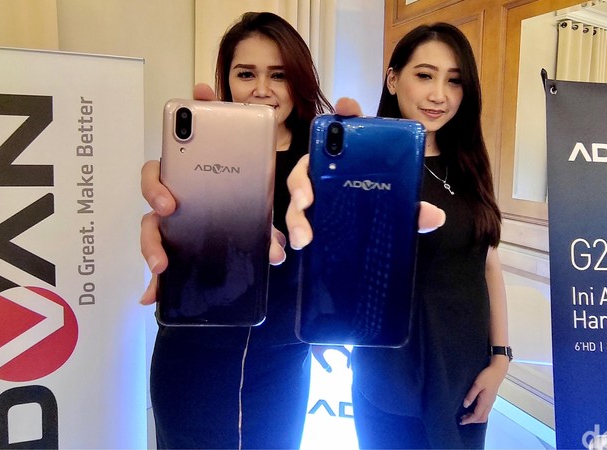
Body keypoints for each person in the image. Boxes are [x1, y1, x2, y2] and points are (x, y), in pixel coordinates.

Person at [285, 23, 510, 449]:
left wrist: (500, 358)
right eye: (424, 75)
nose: (439, 95)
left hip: (464, 374)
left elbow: (487, 265)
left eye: (454, 81)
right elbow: (340, 256)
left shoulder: (470, 166)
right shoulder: (366, 165)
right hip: (390, 372)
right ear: (393, 78)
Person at [139, 12, 333, 449]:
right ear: (227, 80)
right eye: (246, 73)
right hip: (190, 356)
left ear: (299, 80)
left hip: (280, 366)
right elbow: (172, 233)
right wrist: (164, 225)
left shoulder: (322, 164)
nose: (262, 89)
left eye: (279, 75)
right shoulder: (199, 158)